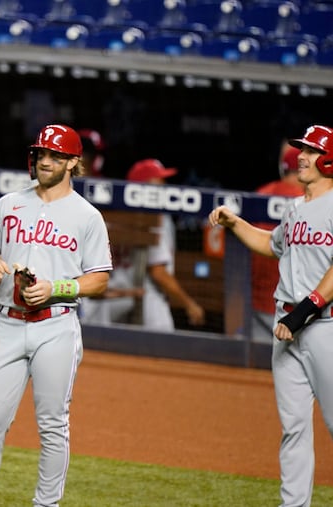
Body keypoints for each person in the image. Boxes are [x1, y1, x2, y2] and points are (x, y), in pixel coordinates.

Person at [0, 124, 112, 507]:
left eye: (55, 155)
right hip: (8, 324)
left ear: (74, 162)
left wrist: (57, 287)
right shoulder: (10, 202)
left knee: (52, 426)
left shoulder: (86, 216)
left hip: (56, 326)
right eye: (41, 154)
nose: (45, 160)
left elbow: (99, 279)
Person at [208, 124, 333, 507]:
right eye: (301, 149)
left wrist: (303, 314)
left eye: (312, 150)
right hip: (287, 328)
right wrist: (234, 223)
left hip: (324, 327)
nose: (302, 156)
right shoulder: (295, 208)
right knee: (293, 428)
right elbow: (271, 244)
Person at [124, 158, 206, 330]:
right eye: (158, 180)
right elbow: (158, 272)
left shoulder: (126, 215)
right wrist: (189, 304)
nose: (164, 185)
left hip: (117, 292)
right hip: (148, 294)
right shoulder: (156, 218)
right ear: (144, 187)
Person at [250, 143, 305, 342]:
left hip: (259, 301)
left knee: (255, 365)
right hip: (298, 305)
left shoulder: (261, 193)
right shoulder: (309, 201)